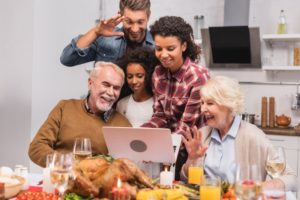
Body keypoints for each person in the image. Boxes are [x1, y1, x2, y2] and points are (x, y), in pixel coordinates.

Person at [180, 76, 297, 192]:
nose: (203, 109)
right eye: (202, 103)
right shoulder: (202, 134)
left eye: (210, 103)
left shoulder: (253, 136)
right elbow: (187, 181)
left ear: (229, 105)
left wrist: (259, 187)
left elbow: (291, 178)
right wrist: (192, 159)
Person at [141, 16, 210, 180]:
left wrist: (157, 148)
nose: (163, 55)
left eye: (170, 48)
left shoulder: (197, 77)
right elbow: (160, 115)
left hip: (194, 151)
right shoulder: (158, 73)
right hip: (169, 146)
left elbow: (186, 127)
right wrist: (143, 133)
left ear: (184, 46)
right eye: (158, 49)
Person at [28, 62, 131, 167]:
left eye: (116, 88)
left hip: (97, 181)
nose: (110, 92)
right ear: (90, 83)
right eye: (106, 84)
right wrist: (69, 164)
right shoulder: (65, 108)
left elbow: (124, 165)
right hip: (61, 178)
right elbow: (36, 148)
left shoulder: (123, 124)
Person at [60, 0, 154, 66]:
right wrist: (96, 32)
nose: (135, 29)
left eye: (140, 22)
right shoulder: (106, 39)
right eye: (129, 22)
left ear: (148, 16)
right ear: (120, 16)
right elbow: (67, 59)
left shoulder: (158, 46)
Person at [116, 46, 158, 127]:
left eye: (139, 76)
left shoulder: (158, 103)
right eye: (130, 76)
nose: (134, 81)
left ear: (149, 75)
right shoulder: (122, 104)